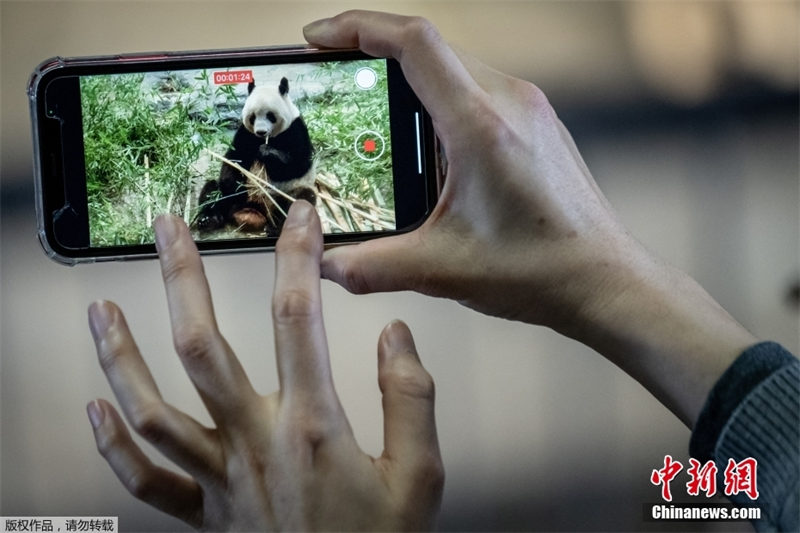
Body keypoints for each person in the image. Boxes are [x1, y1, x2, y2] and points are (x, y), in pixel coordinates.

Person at [86, 10, 799, 532]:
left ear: (283, 104)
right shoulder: (241, 137)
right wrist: (607, 280)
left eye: (272, 118)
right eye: (257, 121)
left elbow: (295, 166)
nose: (264, 127)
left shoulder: (287, 131)